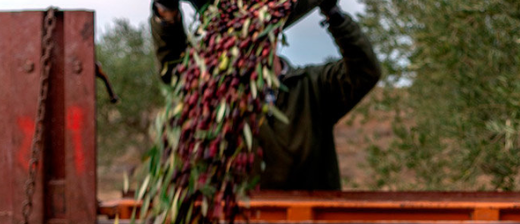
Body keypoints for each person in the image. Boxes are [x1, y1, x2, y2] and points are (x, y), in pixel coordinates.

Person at [150, 0, 381, 190]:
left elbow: (365, 71)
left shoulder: (314, 86)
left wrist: (333, 14)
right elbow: (176, 75)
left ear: (274, 37)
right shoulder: (215, 93)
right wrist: (166, 14)